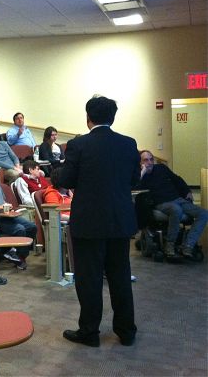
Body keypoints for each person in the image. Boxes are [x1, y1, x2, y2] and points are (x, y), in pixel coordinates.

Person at [58, 95, 139, 348]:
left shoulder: (78, 145)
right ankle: (126, 331)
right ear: (113, 118)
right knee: (120, 276)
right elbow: (134, 180)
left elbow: (66, 180)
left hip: (89, 222)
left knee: (89, 278)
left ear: (88, 117)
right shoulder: (129, 144)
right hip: (119, 220)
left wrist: (54, 172)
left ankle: (90, 332)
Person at [137, 150, 208, 259]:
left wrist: (187, 191)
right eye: (146, 160)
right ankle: (169, 245)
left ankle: (188, 245)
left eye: (151, 159)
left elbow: (177, 179)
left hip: (178, 199)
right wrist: (142, 173)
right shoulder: (139, 175)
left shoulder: (161, 168)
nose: (150, 162)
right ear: (140, 162)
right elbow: (135, 188)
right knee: (176, 210)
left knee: (203, 213)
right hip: (161, 203)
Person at [0, 164, 37, 269]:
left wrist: (8, 206)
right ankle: (16, 256)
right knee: (20, 229)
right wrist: (2, 206)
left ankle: (18, 255)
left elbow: (3, 201)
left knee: (32, 226)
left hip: (8, 215)